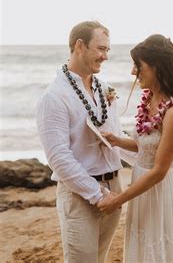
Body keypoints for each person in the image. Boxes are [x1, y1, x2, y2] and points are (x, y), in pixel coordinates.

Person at [97, 34, 173, 262]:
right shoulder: (149, 101)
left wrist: (118, 199)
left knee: (161, 251)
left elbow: (159, 170)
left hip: (160, 190)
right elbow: (146, 146)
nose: (133, 72)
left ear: (158, 67)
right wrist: (115, 140)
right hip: (141, 186)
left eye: (138, 66)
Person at [36, 21, 124, 262]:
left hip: (115, 190)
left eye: (108, 50)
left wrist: (149, 155)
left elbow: (116, 136)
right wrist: (97, 194)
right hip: (80, 196)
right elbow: (58, 158)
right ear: (79, 46)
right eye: (101, 49)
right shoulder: (54, 97)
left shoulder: (104, 88)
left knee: (100, 257)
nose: (105, 56)